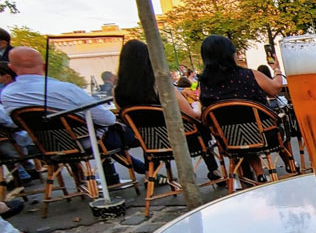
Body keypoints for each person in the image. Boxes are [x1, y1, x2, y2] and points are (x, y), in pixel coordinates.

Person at [1, 47, 147, 184]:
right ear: (44, 66)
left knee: (106, 135)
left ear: (12, 68)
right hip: (87, 142)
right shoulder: (65, 89)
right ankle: (149, 174)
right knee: (140, 133)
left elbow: (13, 122)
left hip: (46, 146)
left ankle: (140, 169)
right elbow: (106, 119)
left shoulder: (7, 95)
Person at [113, 40, 221, 184]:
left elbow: (126, 119)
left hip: (150, 144)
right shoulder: (162, 86)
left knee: (146, 130)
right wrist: (196, 105)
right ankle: (214, 170)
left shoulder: (117, 91)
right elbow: (191, 114)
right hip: (184, 140)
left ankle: (150, 175)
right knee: (199, 124)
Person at [198, 35, 285, 180]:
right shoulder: (249, 75)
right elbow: (275, 89)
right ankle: (290, 163)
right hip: (264, 135)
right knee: (280, 120)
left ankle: (259, 174)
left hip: (230, 141)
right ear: (230, 54)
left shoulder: (204, 84)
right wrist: (277, 69)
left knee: (241, 132)